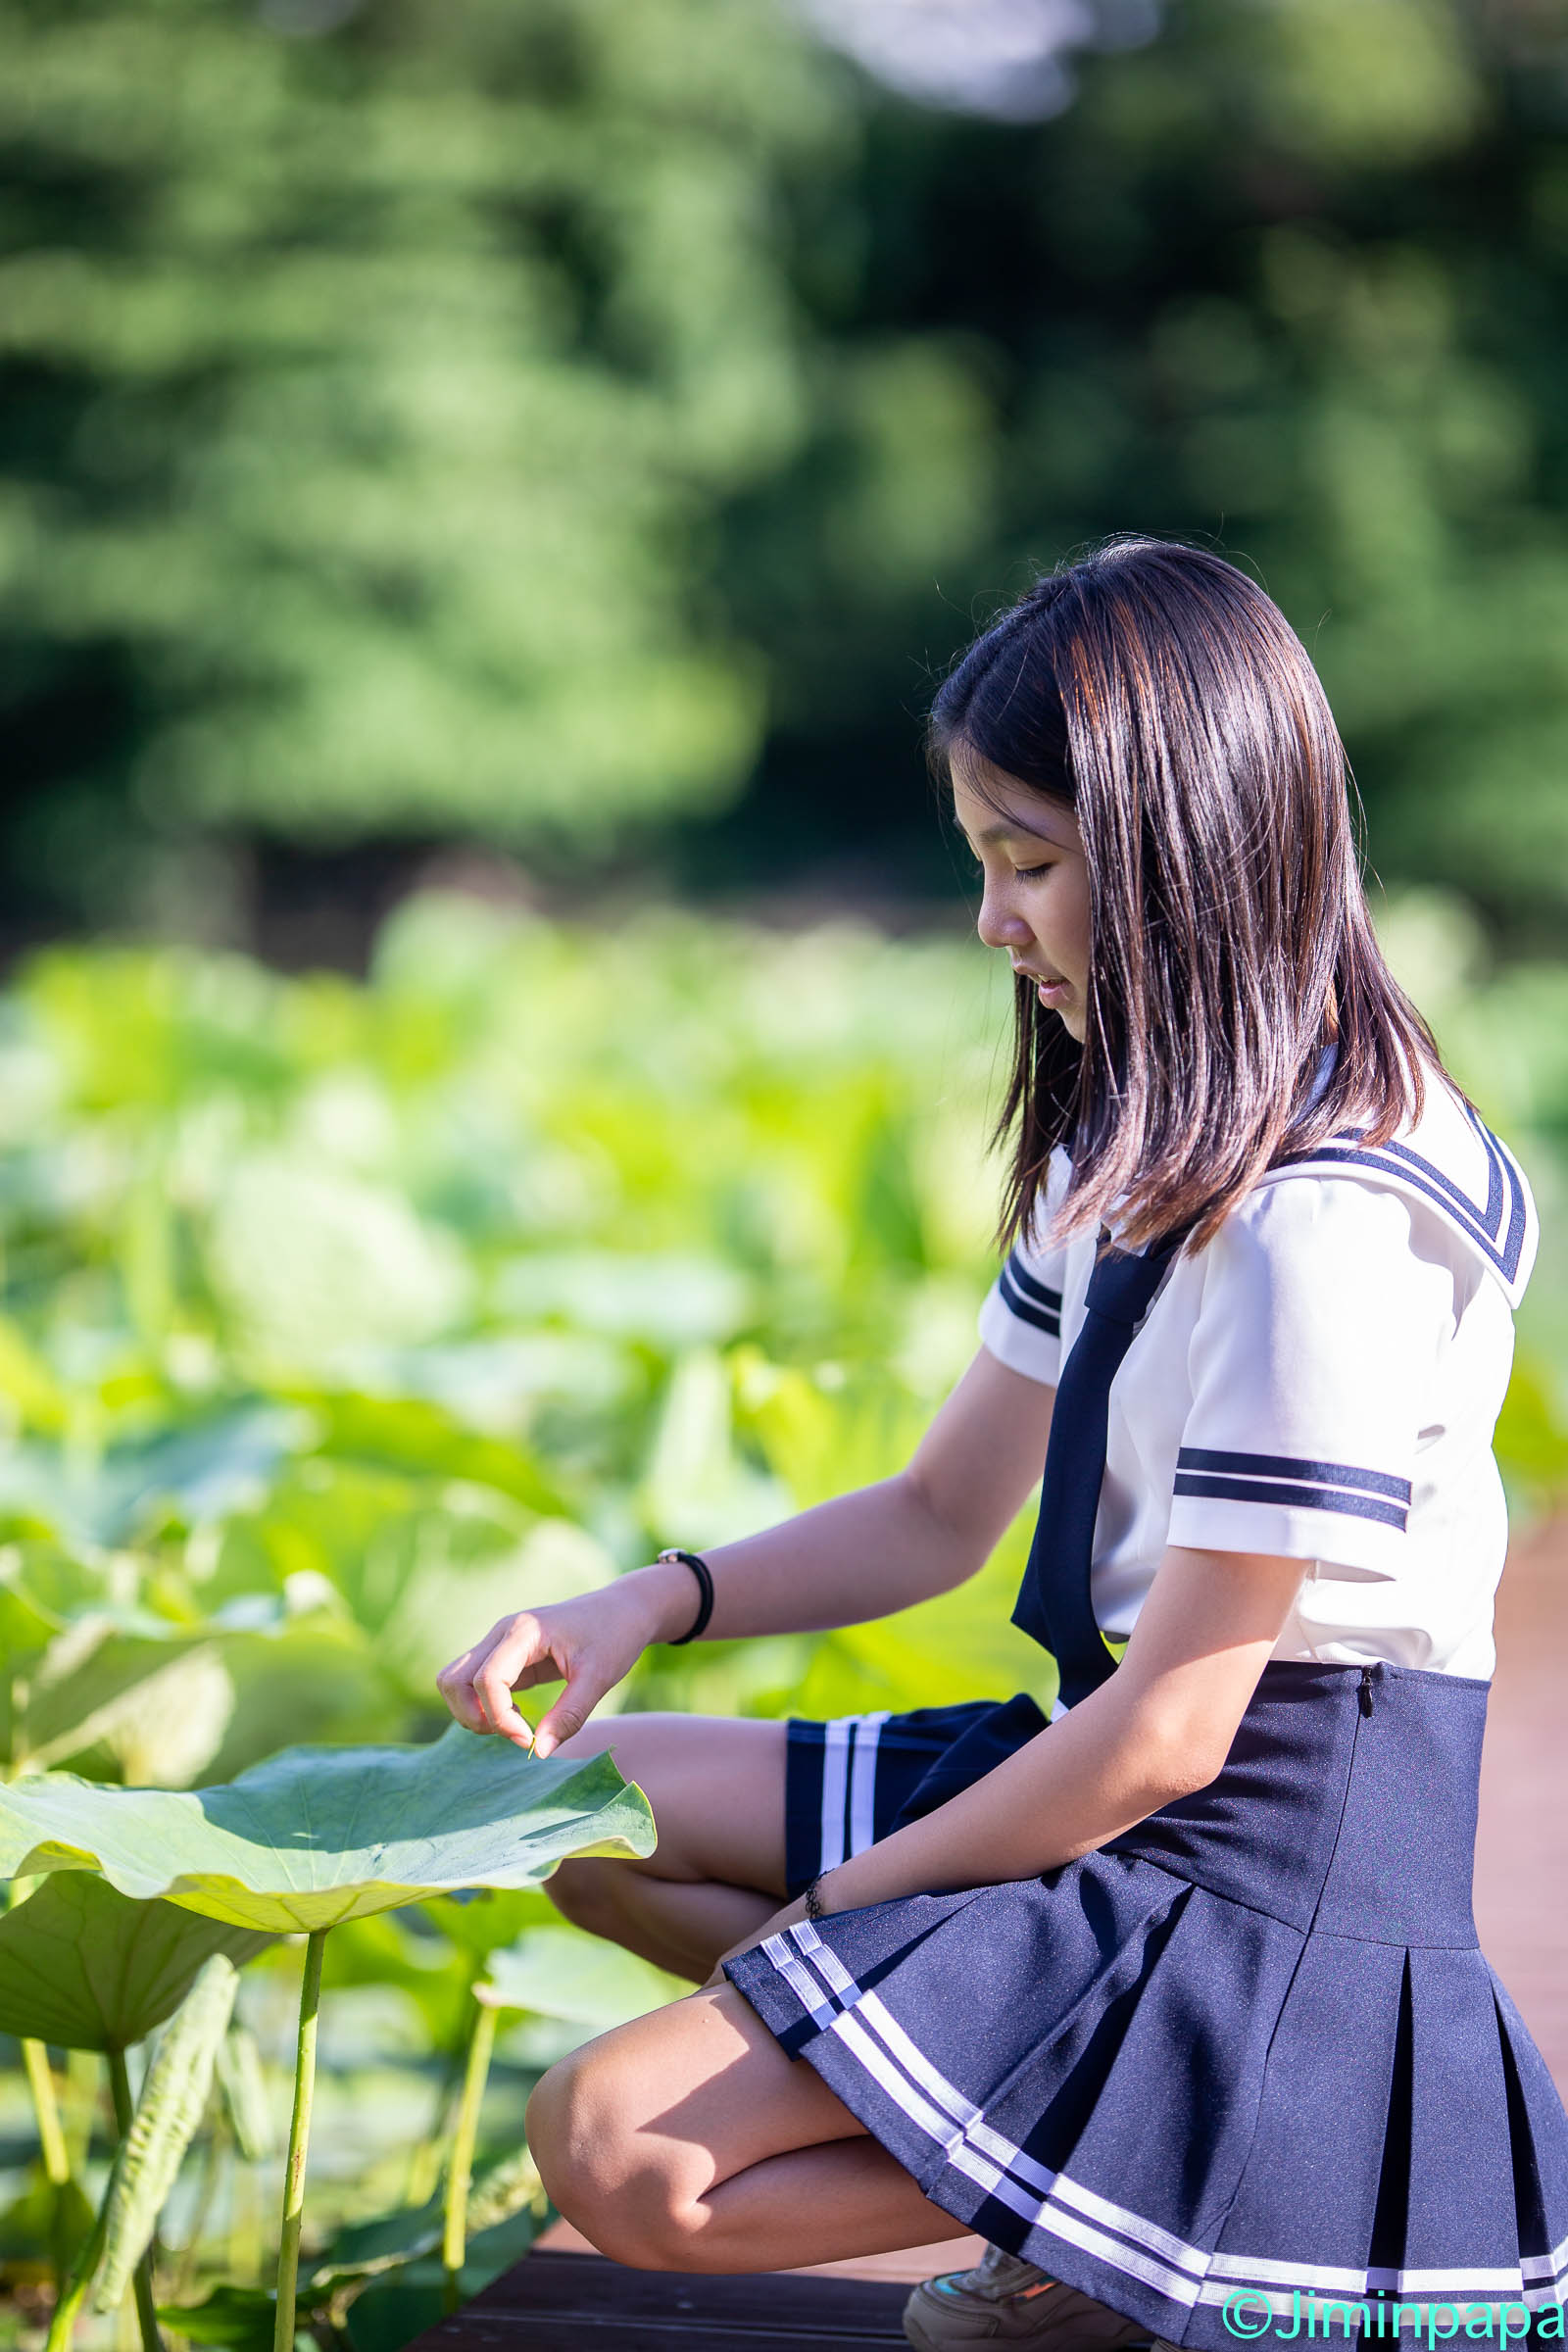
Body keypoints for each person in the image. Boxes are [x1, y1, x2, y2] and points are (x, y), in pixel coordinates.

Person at [435, 539, 1568, 2352]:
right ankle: (1084, 2201)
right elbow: (943, 1511)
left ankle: (1166, 2199)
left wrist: (840, 1947)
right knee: (562, 1804)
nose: (993, 923)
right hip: (1117, 1782)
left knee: (620, 2144)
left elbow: (1189, 1725)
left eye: (1028, 863)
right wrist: (641, 1604)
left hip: (1278, 1868)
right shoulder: (1135, 1135)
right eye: (985, 864)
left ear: (1191, 846)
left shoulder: (1333, 1213)